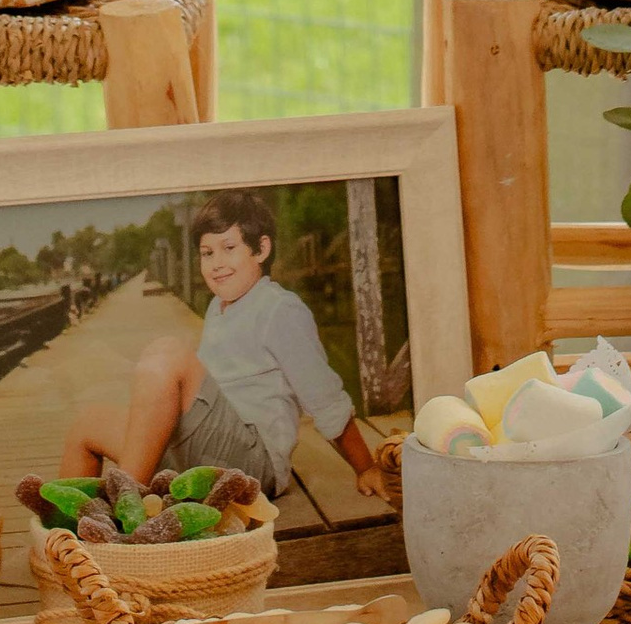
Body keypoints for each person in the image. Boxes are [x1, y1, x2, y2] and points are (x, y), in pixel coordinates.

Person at [60, 189, 392, 503]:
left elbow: (325, 398)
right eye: (207, 253)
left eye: (229, 248)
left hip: (252, 464)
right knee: (88, 422)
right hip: (208, 452)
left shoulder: (279, 309)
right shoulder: (219, 309)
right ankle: (64, 539)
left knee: (166, 355)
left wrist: (365, 467)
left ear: (261, 250)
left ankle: (124, 509)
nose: (216, 262)